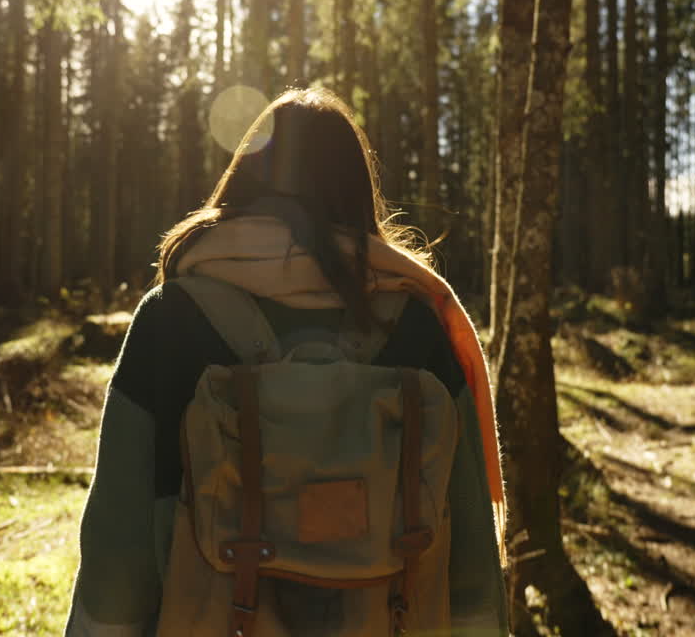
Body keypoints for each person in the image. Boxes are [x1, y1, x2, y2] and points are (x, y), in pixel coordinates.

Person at [64, 86, 507, 636]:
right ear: (356, 193)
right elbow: (470, 566)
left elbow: (118, 551)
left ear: (241, 181)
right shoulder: (419, 328)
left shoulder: (170, 320)